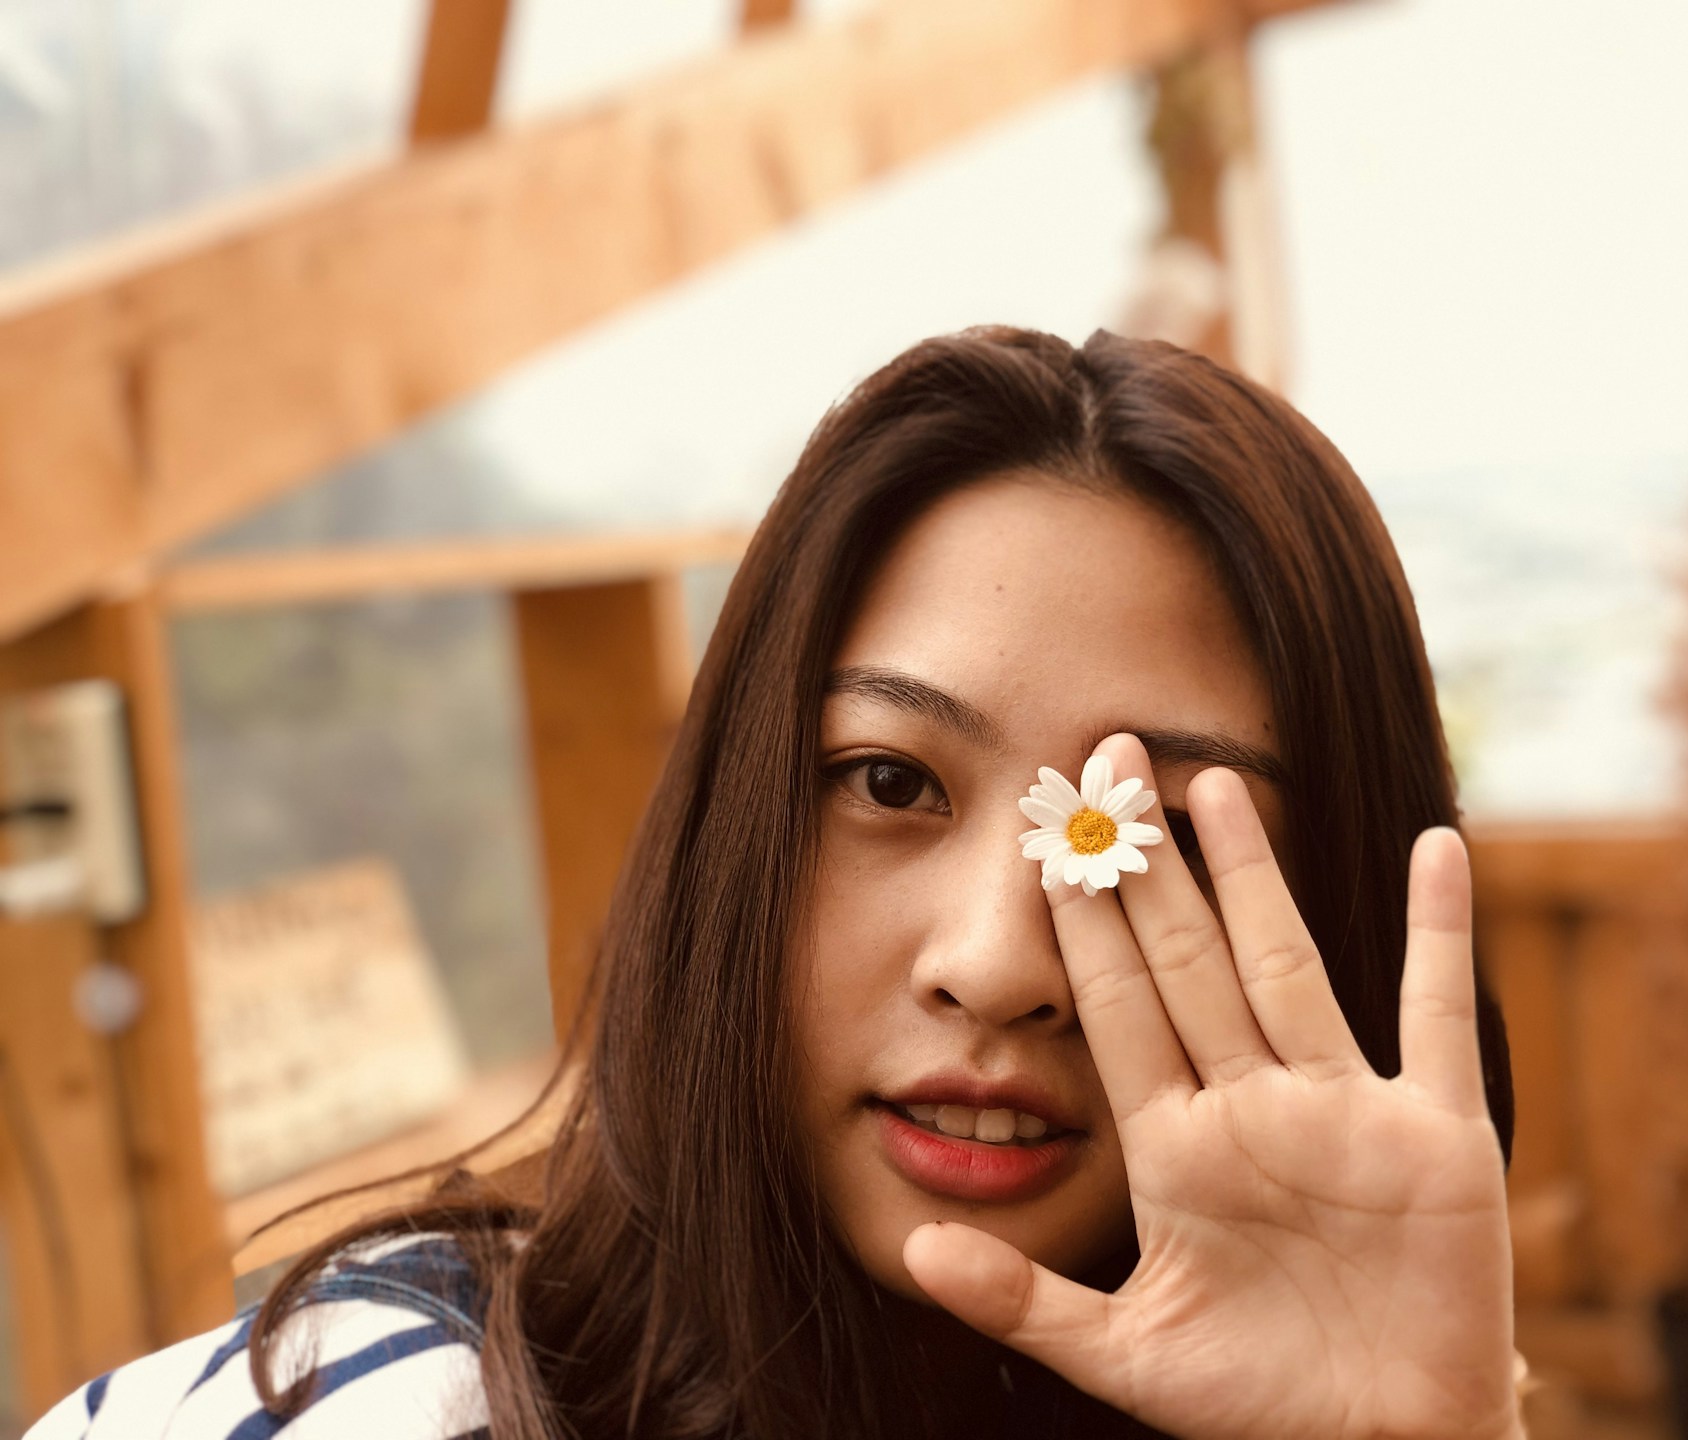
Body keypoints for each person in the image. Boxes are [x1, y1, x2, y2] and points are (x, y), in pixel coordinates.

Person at [29, 328, 1522, 1440]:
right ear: (734, 821)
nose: (1000, 963)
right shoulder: (387, 1404)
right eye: (889, 783)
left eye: (1171, 839)